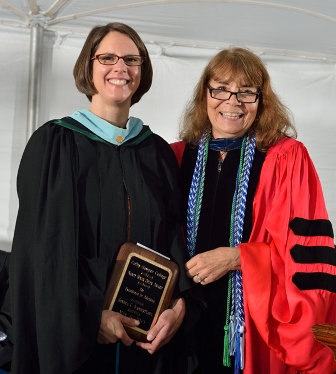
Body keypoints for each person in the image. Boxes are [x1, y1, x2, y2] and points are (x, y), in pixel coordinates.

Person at [7, 22, 193, 374]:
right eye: (107, 57)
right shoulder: (55, 145)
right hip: (78, 344)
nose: (120, 68)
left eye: (131, 60)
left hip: (145, 342)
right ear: (88, 67)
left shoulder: (155, 152)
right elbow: (43, 252)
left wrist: (178, 304)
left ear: (143, 70)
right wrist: (91, 316)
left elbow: (173, 234)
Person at [171, 47, 336, 373]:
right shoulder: (174, 157)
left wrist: (238, 258)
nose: (232, 102)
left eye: (246, 92)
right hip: (179, 325)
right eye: (220, 89)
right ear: (205, 94)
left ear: (262, 101)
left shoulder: (287, 158)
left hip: (252, 328)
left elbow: (304, 252)